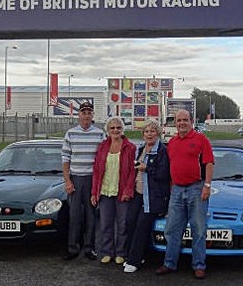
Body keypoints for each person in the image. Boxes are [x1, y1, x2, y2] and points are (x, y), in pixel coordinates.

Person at [156, 109, 214, 280]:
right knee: (172, 229)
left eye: (185, 120)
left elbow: (209, 163)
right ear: (175, 123)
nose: (182, 123)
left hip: (197, 188)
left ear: (191, 121)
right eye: (179, 120)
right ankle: (169, 263)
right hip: (177, 190)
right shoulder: (172, 142)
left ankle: (199, 265)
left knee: (199, 229)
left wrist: (207, 185)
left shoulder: (201, 139)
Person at [123, 119, 171, 273]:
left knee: (142, 226)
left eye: (152, 131)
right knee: (130, 221)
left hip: (154, 196)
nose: (149, 134)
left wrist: (147, 167)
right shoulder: (141, 148)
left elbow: (164, 174)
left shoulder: (163, 151)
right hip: (138, 192)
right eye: (146, 131)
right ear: (142, 134)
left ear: (157, 133)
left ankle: (134, 261)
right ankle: (136, 254)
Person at [61, 101, 105, 261]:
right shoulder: (70, 133)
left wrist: (99, 183)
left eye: (89, 112)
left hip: (92, 180)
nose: (86, 115)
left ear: (92, 115)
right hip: (76, 179)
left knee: (91, 215)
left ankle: (89, 248)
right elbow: (65, 158)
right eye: (83, 112)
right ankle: (73, 248)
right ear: (79, 114)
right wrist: (67, 181)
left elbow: (102, 159)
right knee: (74, 216)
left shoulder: (100, 134)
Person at [91, 116, 136, 265]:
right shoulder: (102, 147)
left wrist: (128, 191)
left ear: (122, 129)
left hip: (122, 192)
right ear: (108, 130)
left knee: (122, 225)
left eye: (118, 127)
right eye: (112, 128)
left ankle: (121, 253)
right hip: (105, 192)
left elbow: (132, 172)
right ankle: (107, 252)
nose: (115, 130)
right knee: (105, 224)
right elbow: (97, 171)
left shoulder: (130, 147)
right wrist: (94, 192)